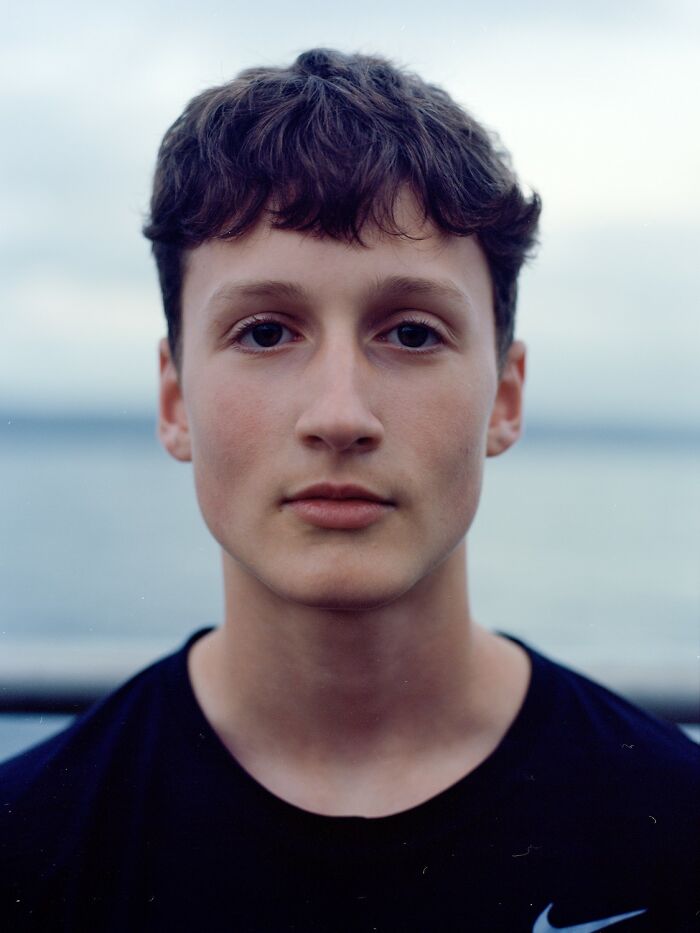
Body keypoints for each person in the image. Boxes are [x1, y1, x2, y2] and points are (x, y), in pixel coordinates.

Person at [1, 48, 697, 933]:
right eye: (264, 332)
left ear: (506, 398)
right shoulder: (29, 849)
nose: (340, 414)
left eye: (411, 331)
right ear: (175, 399)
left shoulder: (676, 830)